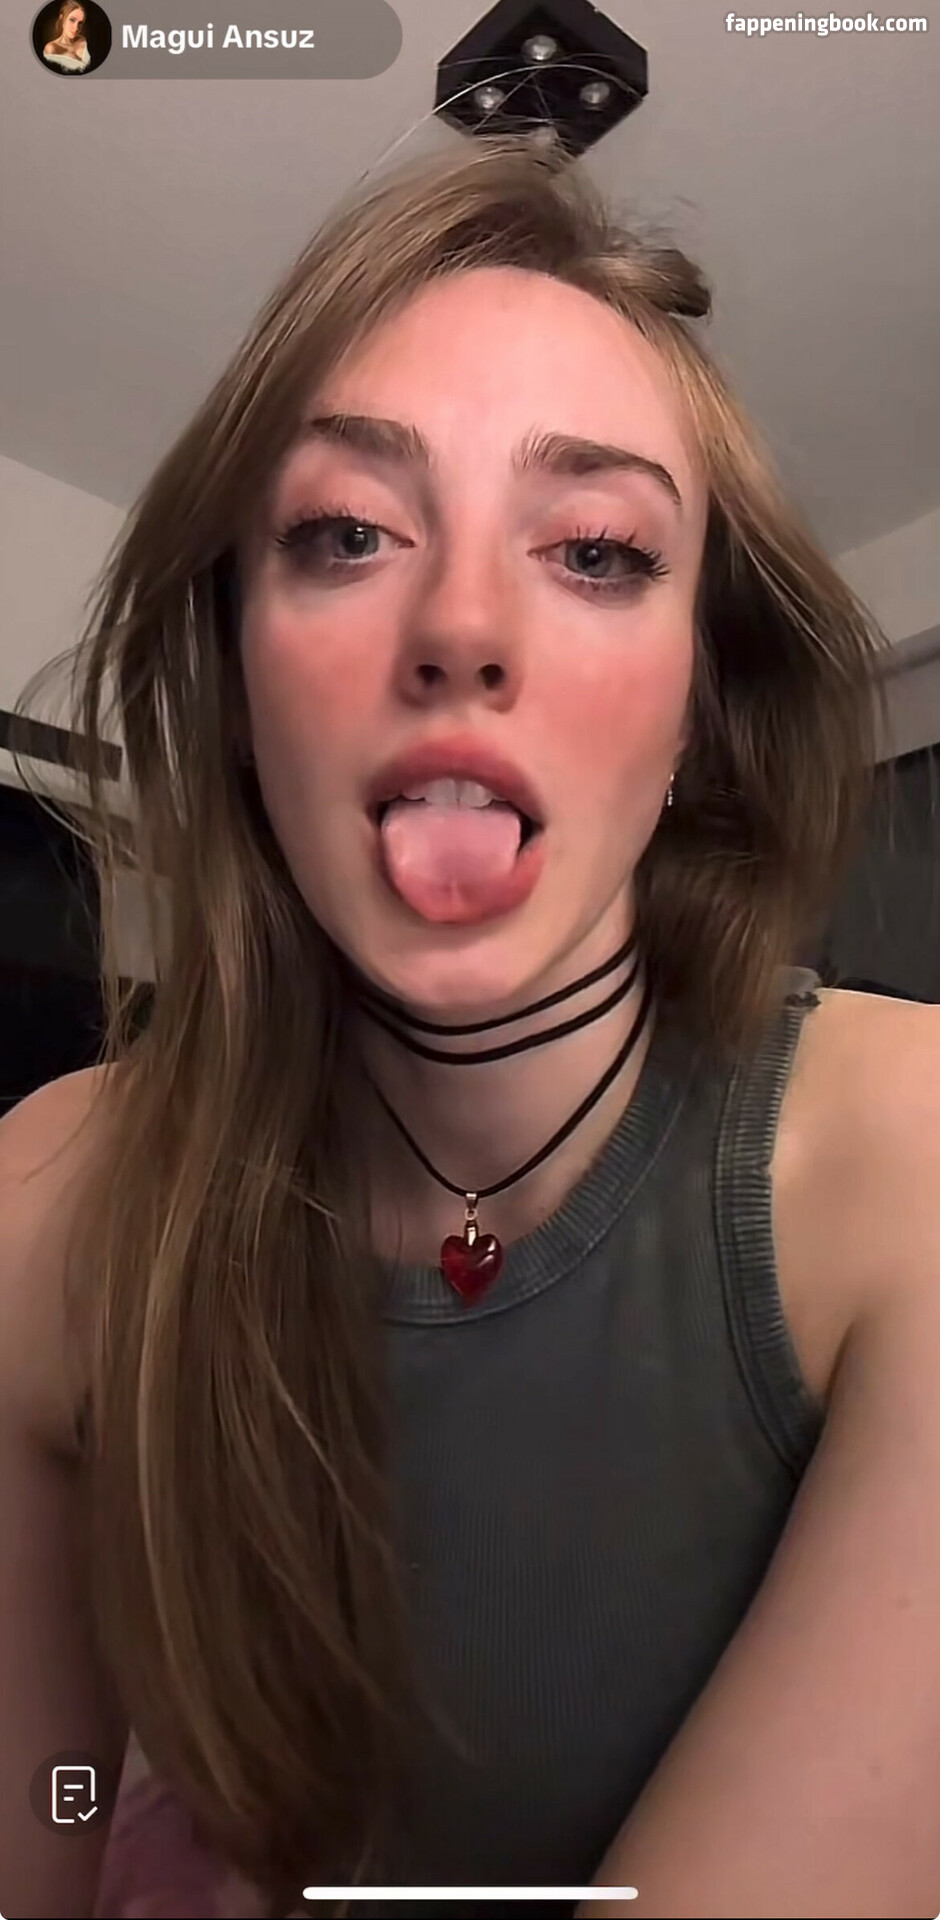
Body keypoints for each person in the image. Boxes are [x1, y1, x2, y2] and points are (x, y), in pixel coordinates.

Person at [2, 136, 939, 1920]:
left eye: (595, 549)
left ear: (699, 706)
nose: (459, 628)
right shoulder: (45, 1204)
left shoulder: (915, 1171)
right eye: (347, 534)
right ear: (239, 674)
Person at [42, 4, 90, 73]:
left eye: (80, 23)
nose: (76, 28)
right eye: (72, 20)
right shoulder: (52, 48)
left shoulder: (83, 40)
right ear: (62, 19)